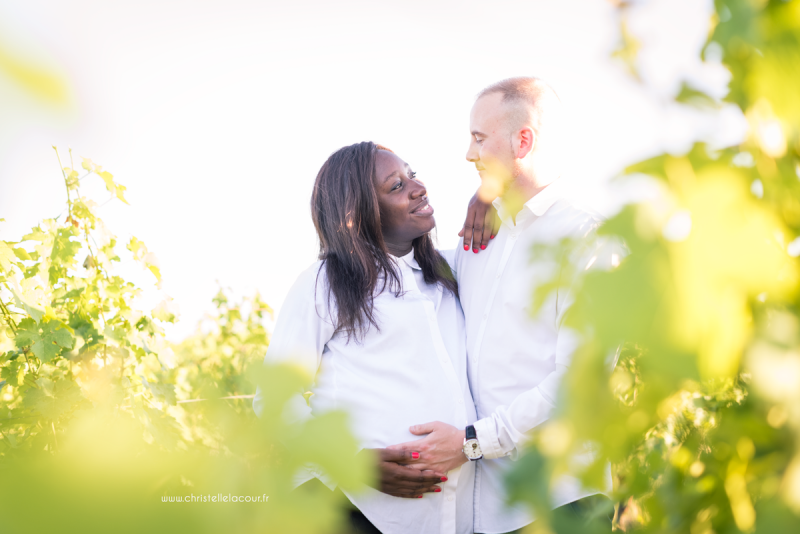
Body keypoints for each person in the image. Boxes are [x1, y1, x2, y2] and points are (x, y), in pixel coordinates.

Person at [386, 77, 617, 533]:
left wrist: (471, 442)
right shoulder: (478, 242)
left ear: (522, 140)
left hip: (562, 500)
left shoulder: (591, 240)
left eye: (478, 138)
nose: (469, 154)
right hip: (482, 511)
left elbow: (577, 385)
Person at [253, 142, 478, 534]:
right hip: (349, 507)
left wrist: (487, 199)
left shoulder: (450, 272)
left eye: (412, 173)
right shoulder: (324, 284)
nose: (418, 186)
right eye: (395, 186)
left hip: (445, 517)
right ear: (357, 215)